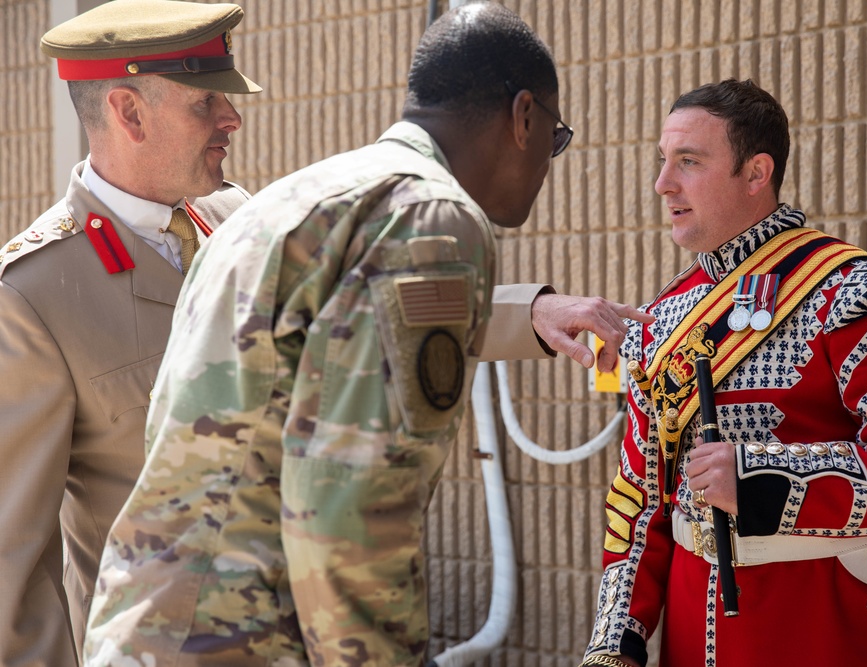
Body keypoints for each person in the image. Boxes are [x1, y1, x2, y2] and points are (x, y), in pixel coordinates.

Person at [83, 3, 650, 666]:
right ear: (523, 117)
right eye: (554, 138)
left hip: (150, 632)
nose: (547, 163)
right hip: (247, 641)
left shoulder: (284, 203)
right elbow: (350, 510)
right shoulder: (434, 218)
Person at [579, 79, 867, 667]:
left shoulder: (851, 293)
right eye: (664, 162)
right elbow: (640, 499)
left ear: (756, 172)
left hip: (825, 628)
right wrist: (617, 641)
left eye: (688, 162)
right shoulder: (662, 318)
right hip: (690, 635)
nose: (663, 183)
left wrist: (762, 477)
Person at [0, 2, 260, 664]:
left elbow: (370, 303)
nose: (232, 119)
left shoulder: (244, 221)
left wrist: (535, 316)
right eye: (208, 103)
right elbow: (13, 571)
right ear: (130, 112)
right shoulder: (31, 294)